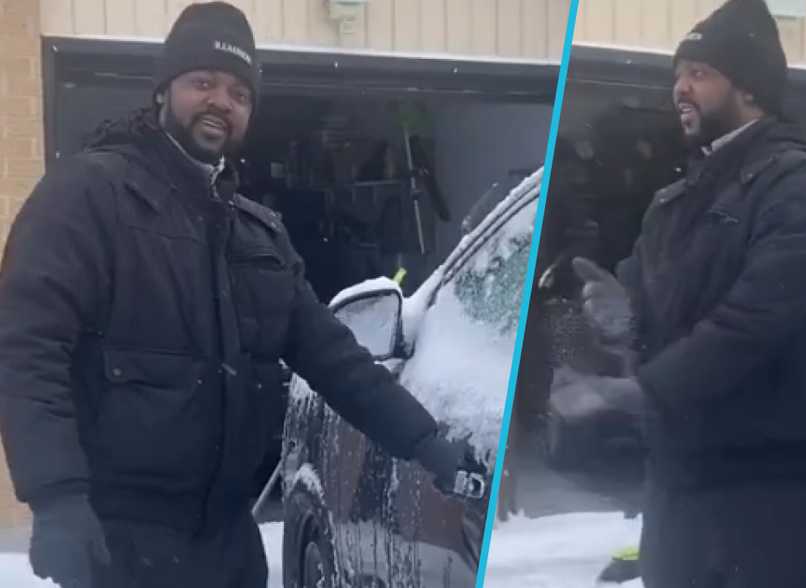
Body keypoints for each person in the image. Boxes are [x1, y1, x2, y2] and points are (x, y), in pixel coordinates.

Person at [0, 4, 485, 588]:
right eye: (202, 82)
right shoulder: (87, 197)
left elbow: (335, 359)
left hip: (229, 543)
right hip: (121, 542)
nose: (220, 102)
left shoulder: (257, 232)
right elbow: (26, 350)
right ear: (163, 91)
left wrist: (427, 442)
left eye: (238, 93)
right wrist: (56, 498)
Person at [553, 0, 806, 586]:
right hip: (682, 478)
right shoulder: (680, 197)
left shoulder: (802, 188)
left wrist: (634, 391)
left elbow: (753, 326)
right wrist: (624, 316)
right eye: (677, 75)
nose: (680, 90)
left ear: (748, 87)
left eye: (699, 74)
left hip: (765, 490)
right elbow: (656, 307)